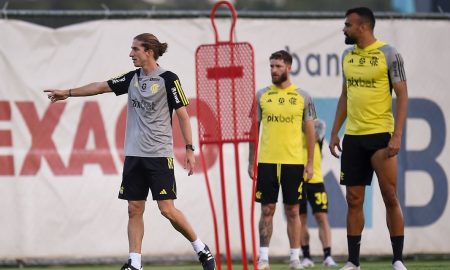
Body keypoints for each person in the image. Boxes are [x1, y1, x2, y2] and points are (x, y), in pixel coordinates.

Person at [44, 33, 216, 270]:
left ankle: (202, 249)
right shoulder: (132, 78)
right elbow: (100, 86)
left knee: (167, 209)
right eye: (131, 49)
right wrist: (69, 93)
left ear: (149, 52)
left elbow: (183, 115)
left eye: (135, 49)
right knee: (134, 209)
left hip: (158, 156)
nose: (131, 53)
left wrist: (189, 148)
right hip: (134, 156)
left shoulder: (169, 79)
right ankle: (135, 264)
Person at [328, 7, 408, 270]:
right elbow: (344, 96)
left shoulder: (389, 54)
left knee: (390, 196)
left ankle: (397, 259)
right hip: (353, 137)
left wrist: (396, 135)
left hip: (380, 136)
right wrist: (334, 132)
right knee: (353, 200)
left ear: (363, 27)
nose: (344, 29)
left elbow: (403, 95)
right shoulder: (347, 56)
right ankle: (353, 262)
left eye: (348, 25)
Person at [248, 50, 316, 270]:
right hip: (267, 162)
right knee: (267, 209)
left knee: (293, 211)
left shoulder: (303, 97)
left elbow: (310, 132)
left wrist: (311, 162)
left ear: (289, 67)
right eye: (271, 66)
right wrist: (251, 162)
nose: (273, 70)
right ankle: (263, 259)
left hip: (293, 162)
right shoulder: (261, 95)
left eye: (278, 66)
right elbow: (253, 131)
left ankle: (295, 258)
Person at [299, 119, 338, 268]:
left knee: (322, 217)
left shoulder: (316, 133)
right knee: (301, 220)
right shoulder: (295, 133)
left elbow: (321, 125)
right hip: (298, 182)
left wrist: (308, 121)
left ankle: (328, 256)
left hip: (316, 180)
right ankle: (306, 256)